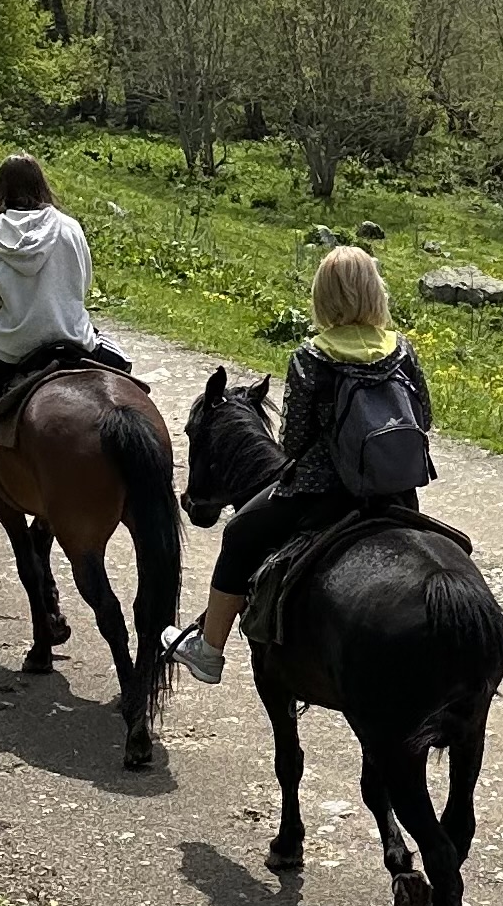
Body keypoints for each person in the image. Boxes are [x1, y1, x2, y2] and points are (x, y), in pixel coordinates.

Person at [169, 248, 435, 683]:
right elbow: (424, 417)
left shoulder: (311, 356)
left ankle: (209, 648)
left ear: (324, 297)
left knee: (238, 535)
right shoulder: (400, 349)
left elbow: (292, 441)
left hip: (323, 493)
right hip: (398, 492)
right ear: (375, 292)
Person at [0, 155, 128, 504]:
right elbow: (83, 283)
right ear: (42, 184)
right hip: (75, 338)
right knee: (124, 372)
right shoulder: (70, 227)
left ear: (1, 190)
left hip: (14, 346)